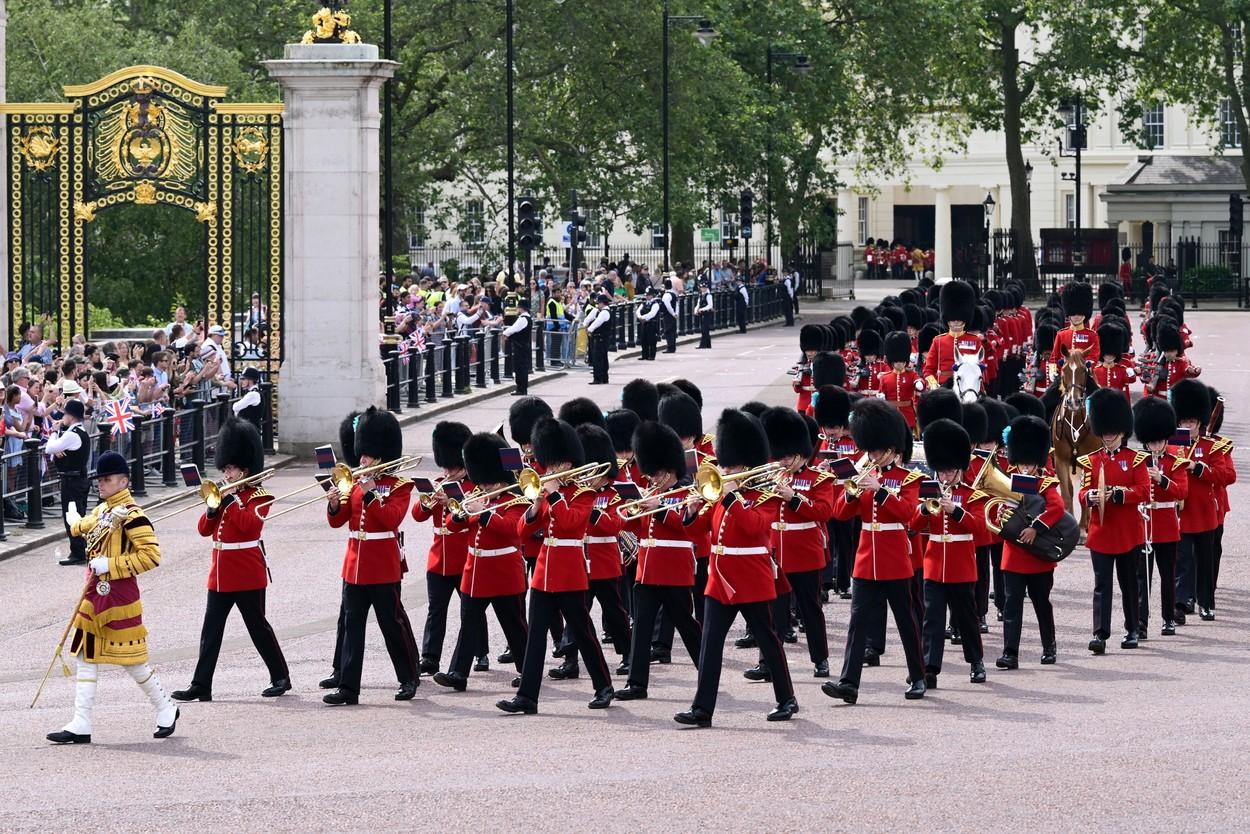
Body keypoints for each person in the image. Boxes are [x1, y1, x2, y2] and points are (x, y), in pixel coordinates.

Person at [674, 409, 797, 727]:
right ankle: (702, 709)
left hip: (751, 577)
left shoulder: (765, 495)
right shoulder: (719, 495)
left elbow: (755, 526)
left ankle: (786, 698)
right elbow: (697, 531)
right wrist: (691, 512)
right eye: (724, 463)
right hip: (720, 578)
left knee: (768, 639)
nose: (724, 470)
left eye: (730, 465)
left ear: (747, 464)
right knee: (710, 644)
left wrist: (731, 499)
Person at [49, 451, 179, 743]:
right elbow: (91, 525)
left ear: (123, 481)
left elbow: (151, 556)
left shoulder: (133, 516)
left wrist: (112, 565)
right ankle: (81, 721)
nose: (101, 484)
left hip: (119, 595)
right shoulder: (106, 510)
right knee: (86, 655)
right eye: (100, 480)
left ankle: (165, 707)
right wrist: (74, 522)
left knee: (132, 660)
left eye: (107, 480)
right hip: (95, 593)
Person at [497, 418, 614, 714]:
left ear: (568, 463)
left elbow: (572, 523)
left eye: (555, 464)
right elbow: (523, 531)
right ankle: (527, 696)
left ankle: (603, 686)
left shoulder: (584, 494)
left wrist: (556, 495)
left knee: (583, 633)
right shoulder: (547, 492)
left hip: (570, 572)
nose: (549, 470)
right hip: (543, 572)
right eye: (548, 464)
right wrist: (536, 505)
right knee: (535, 637)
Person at [172, 419, 288, 702]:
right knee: (210, 630)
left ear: (244, 469)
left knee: (257, 626)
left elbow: (250, 525)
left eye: (231, 469)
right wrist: (214, 509)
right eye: (224, 469)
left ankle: (281, 676)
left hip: (247, 570)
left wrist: (233, 500)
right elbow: (204, 530)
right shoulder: (223, 496)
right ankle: (201, 684)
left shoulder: (259, 495)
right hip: (221, 571)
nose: (226, 474)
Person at [822, 399, 927, 705]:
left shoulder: (909, 479)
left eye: (877, 450)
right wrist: (853, 490)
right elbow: (840, 513)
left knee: (906, 621)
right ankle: (849, 682)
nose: (872, 455)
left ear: (893, 450)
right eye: (870, 449)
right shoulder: (862, 473)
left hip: (895, 557)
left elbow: (908, 513)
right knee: (858, 623)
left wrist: (879, 490)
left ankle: (918, 677)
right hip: (867, 558)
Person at [322, 407, 420, 706]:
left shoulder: (400, 486)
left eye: (367, 456)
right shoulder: (351, 483)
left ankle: (408, 677)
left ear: (380, 456)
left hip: (382, 564)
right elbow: (339, 522)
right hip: (354, 564)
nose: (361, 460)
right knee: (353, 627)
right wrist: (335, 504)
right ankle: (348, 687)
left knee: (391, 624)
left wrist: (369, 493)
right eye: (361, 455)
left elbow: (391, 519)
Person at [433, 433, 531, 692]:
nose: (485, 487)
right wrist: (459, 512)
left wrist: (482, 513)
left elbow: (513, 529)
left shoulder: (516, 499)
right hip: (475, 573)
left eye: (490, 482)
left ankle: (528, 670)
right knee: (469, 624)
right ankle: (457, 673)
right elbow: (452, 527)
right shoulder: (478, 497)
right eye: (484, 482)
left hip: (503, 573)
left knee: (515, 626)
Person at [551, 425, 633, 679]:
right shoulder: (577, 494)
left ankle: (629, 654)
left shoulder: (617, 494)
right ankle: (571, 660)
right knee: (575, 614)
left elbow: (616, 524)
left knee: (615, 613)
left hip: (605, 561)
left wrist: (592, 512)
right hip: (580, 561)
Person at [759, 407, 835, 679]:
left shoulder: (820, 479)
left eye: (788, 456)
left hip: (805, 552)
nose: (783, 461)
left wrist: (793, 497)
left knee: (810, 608)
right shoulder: (772, 476)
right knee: (773, 611)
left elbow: (825, 512)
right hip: (777, 551)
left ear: (801, 453)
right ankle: (768, 662)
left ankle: (821, 659)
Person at [912, 418, 989, 687]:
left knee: (966, 618)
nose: (944, 478)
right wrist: (923, 510)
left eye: (949, 473)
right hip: (934, 562)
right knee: (932, 619)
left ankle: (976, 662)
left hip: (960, 564)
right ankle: (930, 668)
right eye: (941, 472)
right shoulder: (928, 491)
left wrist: (956, 511)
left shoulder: (972, 495)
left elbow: (981, 529)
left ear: (960, 470)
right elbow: (912, 525)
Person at [412, 421, 488, 676]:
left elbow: (473, 513)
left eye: (452, 465)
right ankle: (430, 657)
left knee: (471, 608)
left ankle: (481, 652)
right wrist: (430, 501)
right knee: (436, 610)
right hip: (439, 557)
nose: (448, 469)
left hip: (464, 555)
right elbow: (417, 515)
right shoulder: (437, 483)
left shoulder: (473, 487)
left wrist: (454, 500)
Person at [1079, 388, 1150, 653]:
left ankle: (1132, 629)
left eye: (1112, 433)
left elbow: (1143, 491)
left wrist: (1118, 494)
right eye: (1105, 433)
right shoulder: (1092, 461)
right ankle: (1100, 633)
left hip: (1127, 532)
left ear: (1121, 432)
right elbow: (1084, 491)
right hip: (1101, 531)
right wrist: (1090, 497)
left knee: (1129, 584)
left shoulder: (1135, 460)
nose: (1108, 437)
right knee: (1102, 585)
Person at [996, 416, 1063, 669]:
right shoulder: (1008, 480)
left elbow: (1057, 508)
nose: (1025, 467)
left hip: (1037, 556)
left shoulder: (1047, 482)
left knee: (1040, 602)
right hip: (1014, 553)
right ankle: (1010, 652)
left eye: (1029, 463)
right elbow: (999, 509)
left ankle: (1049, 646)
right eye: (1022, 463)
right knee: (1012, 604)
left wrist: (1036, 528)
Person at [1171, 381, 1235, 621]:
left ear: (1200, 422)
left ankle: (1206, 601)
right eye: (1184, 421)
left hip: (1207, 510)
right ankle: (1183, 600)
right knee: (1183, 559)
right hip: (1182, 510)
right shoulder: (1174, 443)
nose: (1188, 425)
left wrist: (1198, 468)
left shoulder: (1214, 446)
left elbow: (1227, 476)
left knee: (1207, 559)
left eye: (1192, 422)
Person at [1132, 397, 1188, 637]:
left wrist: (1162, 479)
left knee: (1167, 576)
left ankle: (1168, 619)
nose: (1155, 446)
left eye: (1159, 441)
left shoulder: (1175, 462)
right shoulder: (1138, 462)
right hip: (1144, 524)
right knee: (1142, 578)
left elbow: (1182, 491)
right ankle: (1141, 622)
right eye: (1151, 442)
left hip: (1165, 524)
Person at [47, 399, 91, 566]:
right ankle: (81, 549)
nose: (63, 417)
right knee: (77, 515)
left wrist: (54, 432)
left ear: (71, 416)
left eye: (65, 413)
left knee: (72, 517)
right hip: (78, 479)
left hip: (72, 481)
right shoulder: (79, 431)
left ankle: (78, 552)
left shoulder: (72, 434)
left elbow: (49, 448)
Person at [923, 280, 984, 389]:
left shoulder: (975, 341)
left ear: (965, 319)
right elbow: (928, 369)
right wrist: (933, 383)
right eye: (952, 319)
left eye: (959, 319)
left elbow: (980, 368)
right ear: (947, 319)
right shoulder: (938, 341)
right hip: (942, 387)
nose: (955, 322)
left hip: (967, 387)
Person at [1048, 282, 1099, 380]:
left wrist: (1087, 368)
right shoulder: (1061, 334)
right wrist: (1052, 372)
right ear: (1068, 314)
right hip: (1064, 377)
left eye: (1079, 314)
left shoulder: (1092, 335)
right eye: (1073, 314)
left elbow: (1093, 357)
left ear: (1085, 314)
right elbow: (1054, 357)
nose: (1076, 317)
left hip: (1084, 377)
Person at [879, 331, 924, 435]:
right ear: (892, 362)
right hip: (891, 413)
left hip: (907, 413)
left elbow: (919, 382)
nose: (899, 364)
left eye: (901, 361)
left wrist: (919, 384)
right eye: (896, 362)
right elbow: (882, 393)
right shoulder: (885, 377)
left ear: (905, 361)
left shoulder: (911, 375)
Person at [501, 297, 533, 395]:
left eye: (518, 307)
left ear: (521, 308)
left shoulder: (523, 319)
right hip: (524, 346)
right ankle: (522, 388)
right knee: (521, 367)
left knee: (520, 368)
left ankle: (521, 389)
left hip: (520, 346)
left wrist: (505, 333)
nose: (517, 309)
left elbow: (514, 329)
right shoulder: (527, 318)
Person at [585, 293, 613, 385]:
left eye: (599, 303)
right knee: (603, 358)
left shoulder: (604, 312)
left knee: (598, 358)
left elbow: (597, 322)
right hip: (601, 338)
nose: (597, 305)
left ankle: (598, 378)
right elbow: (590, 318)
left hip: (601, 337)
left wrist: (589, 329)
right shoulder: (601, 311)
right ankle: (604, 378)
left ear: (602, 303)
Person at [635, 287, 661, 361]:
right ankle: (644, 355)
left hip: (652, 324)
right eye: (646, 295)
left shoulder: (655, 304)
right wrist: (640, 317)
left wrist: (644, 318)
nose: (647, 296)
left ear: (652, 295)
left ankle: (652, 355)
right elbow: (638, 311)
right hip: (645, 324)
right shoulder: (644, 303)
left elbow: (652, 314)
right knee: (644, 340)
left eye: (648, 295)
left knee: (652, 340)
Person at [661, 277, 680, 353]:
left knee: (668, 331)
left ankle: (670, 347)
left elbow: (668, 306)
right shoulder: (674, 294)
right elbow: (677, 304)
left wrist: (672, 313)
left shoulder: (666, 295)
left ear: (665, 286)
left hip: (668, 315)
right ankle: (673, 347)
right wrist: (676, 313)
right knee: (673, 331)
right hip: (673, 315)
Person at [695, 278, 714, 348]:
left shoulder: (708, 295)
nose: (703, 289)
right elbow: (698, 304)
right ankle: (708, 344)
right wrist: (696, 310)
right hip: (702, 313)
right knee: (704, 328)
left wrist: (702, 309)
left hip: (707, 313)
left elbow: (710, 305)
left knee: (704, 329)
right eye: (702, 287)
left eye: (704, 287)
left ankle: (703, 345)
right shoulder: (701, 295)